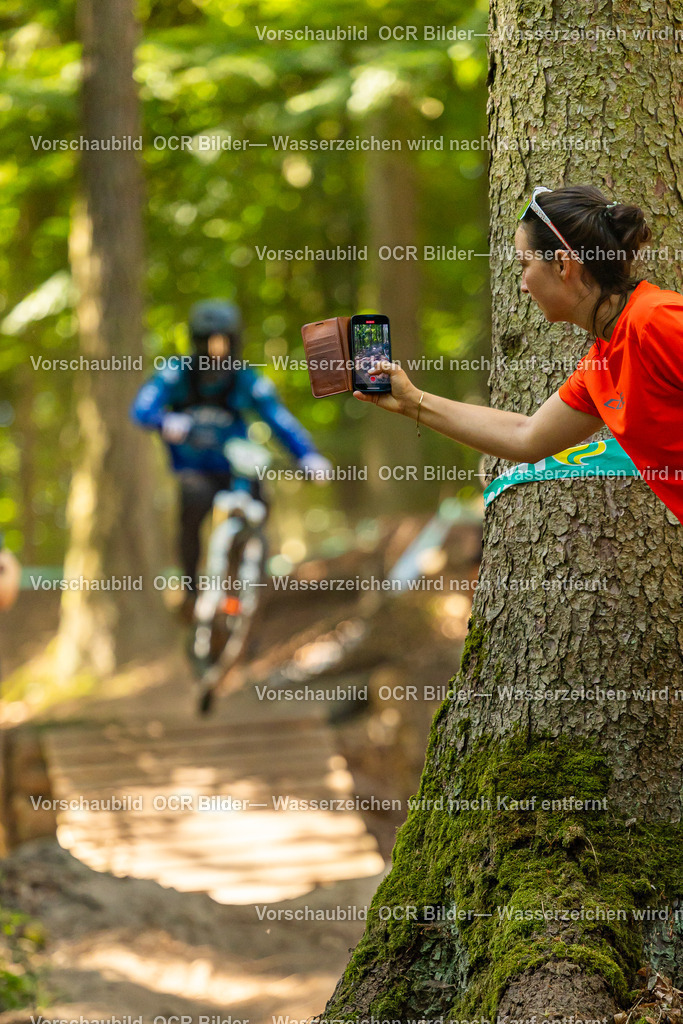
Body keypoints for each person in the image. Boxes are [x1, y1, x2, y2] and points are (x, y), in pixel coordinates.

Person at [354, 184, 683, 525]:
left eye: (525, 264)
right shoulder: (600, 366)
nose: (522, 286)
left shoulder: (656, 320)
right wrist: (412, 401)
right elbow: (525, 436)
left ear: (561, 265)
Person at [131, 300, 331, 603]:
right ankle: (191, 592)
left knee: (260, 503)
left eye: (223, 340)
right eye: (209, 340)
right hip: (193, 470)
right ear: (197, 342)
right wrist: (164, 420)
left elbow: (278, 418)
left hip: (236, 470)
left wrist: (307, 455)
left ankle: (247, 592)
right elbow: (142, 409)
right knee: (193, 506)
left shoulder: (245, 379)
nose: (217, 349)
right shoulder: (176, 373)